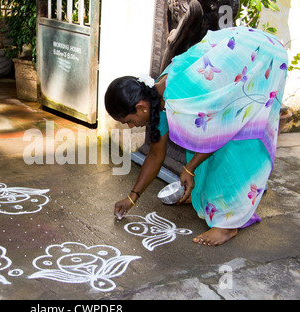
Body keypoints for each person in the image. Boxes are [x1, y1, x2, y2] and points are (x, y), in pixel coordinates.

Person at [104, 27, 288, 246]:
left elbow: (219, 130)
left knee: (239, 137)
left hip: (262, 55)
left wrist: (189, 169)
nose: (132, 126)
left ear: (141, 107)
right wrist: (132, 198)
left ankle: (228, 225)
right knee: (202, 146)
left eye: (129, 121)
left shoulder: (182, 96)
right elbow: (155, 155)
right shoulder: (156, 101)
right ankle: (208, 197)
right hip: (239, 54)